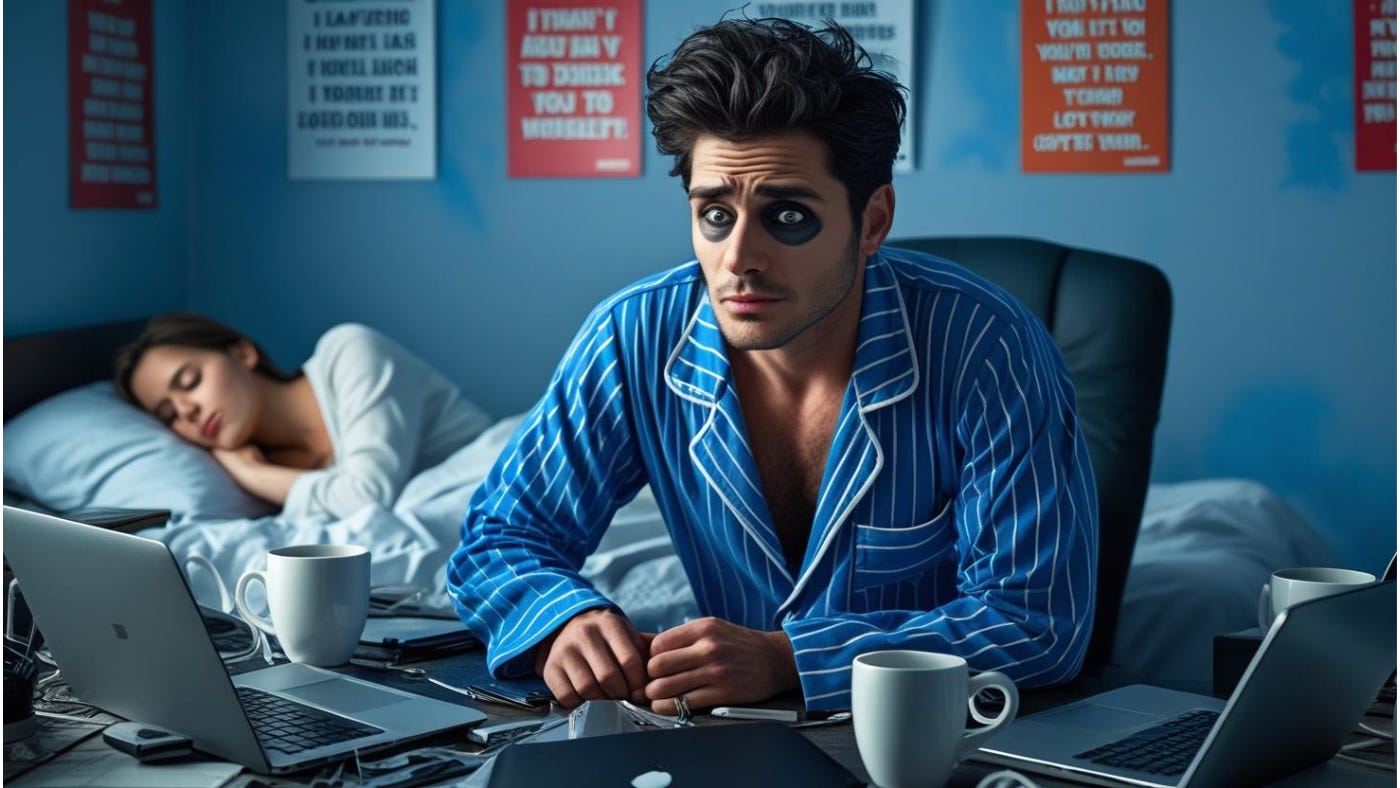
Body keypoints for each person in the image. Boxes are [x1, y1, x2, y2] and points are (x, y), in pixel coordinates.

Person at [447, 17, 1097, 715]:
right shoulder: (630, 335)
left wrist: (791, 659)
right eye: (715, 215)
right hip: (720, 750)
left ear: (873, 221)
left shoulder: (988, 347)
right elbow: (501, 538)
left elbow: (1036, 622)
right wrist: (560, 618)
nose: (739, 259)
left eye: (787, 217)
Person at [115, 313, 493, 519]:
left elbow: (367, 499)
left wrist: (252, 474)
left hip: (509, 477)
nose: (188, 411)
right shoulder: (264, 477)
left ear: (243, 353)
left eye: (190, 380)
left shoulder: (349, 351)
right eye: (169, 416)